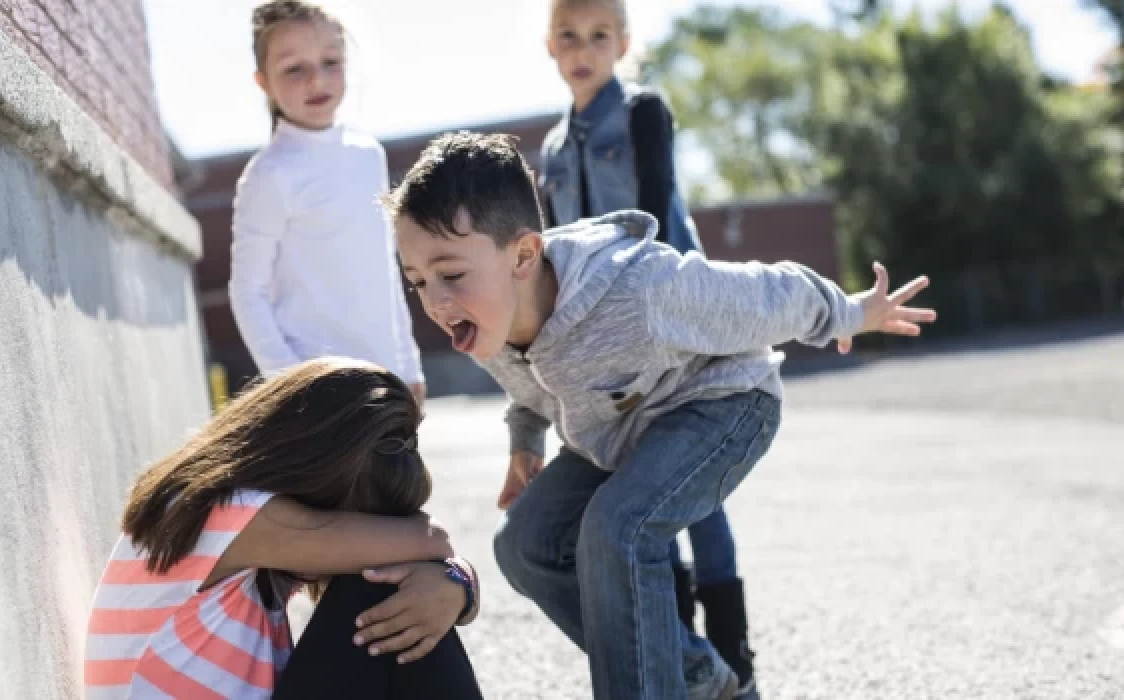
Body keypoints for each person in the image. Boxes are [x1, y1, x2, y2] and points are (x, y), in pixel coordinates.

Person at [387, 132, 935, 700]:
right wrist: (524, 441)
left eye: (451, 274)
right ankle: (690, 671)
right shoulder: (492, 320)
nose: (435, 301)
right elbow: (528, 389)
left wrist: (848, 312)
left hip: (722, 406)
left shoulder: (638, 289)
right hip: (618, 431)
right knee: (524, 543)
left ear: (524, 255)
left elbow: (766, 294)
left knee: (618, 528)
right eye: (417, 281)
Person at [535, 0, 748, 693]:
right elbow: (556, 257)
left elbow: (657, 209)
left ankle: (737, 666)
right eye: (568, 36)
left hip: (676, 325)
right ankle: (685, 664)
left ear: (623, 43)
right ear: (550, 46)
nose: (582, 48)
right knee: (644, 492)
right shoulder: (551, 150)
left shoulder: (643, 112)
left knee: (699, 498)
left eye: (599, 36)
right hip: (605, 349)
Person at [83, 357, 485, 699]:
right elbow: (433, 541)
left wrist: (454, 582)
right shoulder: (226, 511)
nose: (357, 538)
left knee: (403, 591)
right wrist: (452, 576)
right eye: (353, 520)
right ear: (312, 475)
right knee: (380, 584)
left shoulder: (243, 534)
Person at [229, 0, 425, 404]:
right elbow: (248, 292)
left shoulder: (368, 154)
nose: (316, 80)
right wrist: (290, 382)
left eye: (330, 62)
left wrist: (409, 365)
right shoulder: (269, 175)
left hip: (385, 378)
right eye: (293, 69)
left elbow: (385, 272)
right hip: (318, 391)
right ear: (263, 81)